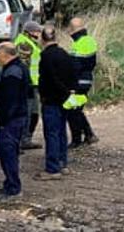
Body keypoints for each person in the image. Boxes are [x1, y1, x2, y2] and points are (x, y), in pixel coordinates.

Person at [36, 26, 76, 180]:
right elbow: (72, 74)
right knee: (61, 132)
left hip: (51, 99)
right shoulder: (63, 54)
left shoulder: (45, 56)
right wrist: (69, 93)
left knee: (51, 133)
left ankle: (52, 168)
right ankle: (62, 162)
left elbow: (50, 79)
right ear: (56, 38)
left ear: (42, 39)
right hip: (64, 100)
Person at [0, 42, 30, 202]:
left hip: (10, 121)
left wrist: (2, 118)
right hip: (15, 118)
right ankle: (10, 184)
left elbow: (10, 100)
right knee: (9, 154)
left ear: (4, 55)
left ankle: (13, 189)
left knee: (8, 154)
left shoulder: (12, 72)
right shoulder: (18, 68)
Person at [67, 17, 100, 147]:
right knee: (77, 109)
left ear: (73, 29)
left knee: (72, 109)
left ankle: (77, 139)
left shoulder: (80, 43)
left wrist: (70, 83)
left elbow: (75, 66)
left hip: (79, 81)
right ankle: (88, 134)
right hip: (85, 80)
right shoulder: (88, 40)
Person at [14, 21, 43, 150]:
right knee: (28, 113)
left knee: (33, 113)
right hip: (28, 84)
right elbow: (23, 66)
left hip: (33, 83)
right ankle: (22, 140)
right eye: (37, 31)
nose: (39, 34)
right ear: (29, 32)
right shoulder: (24, 44)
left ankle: (25, 139)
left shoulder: (30, 43)